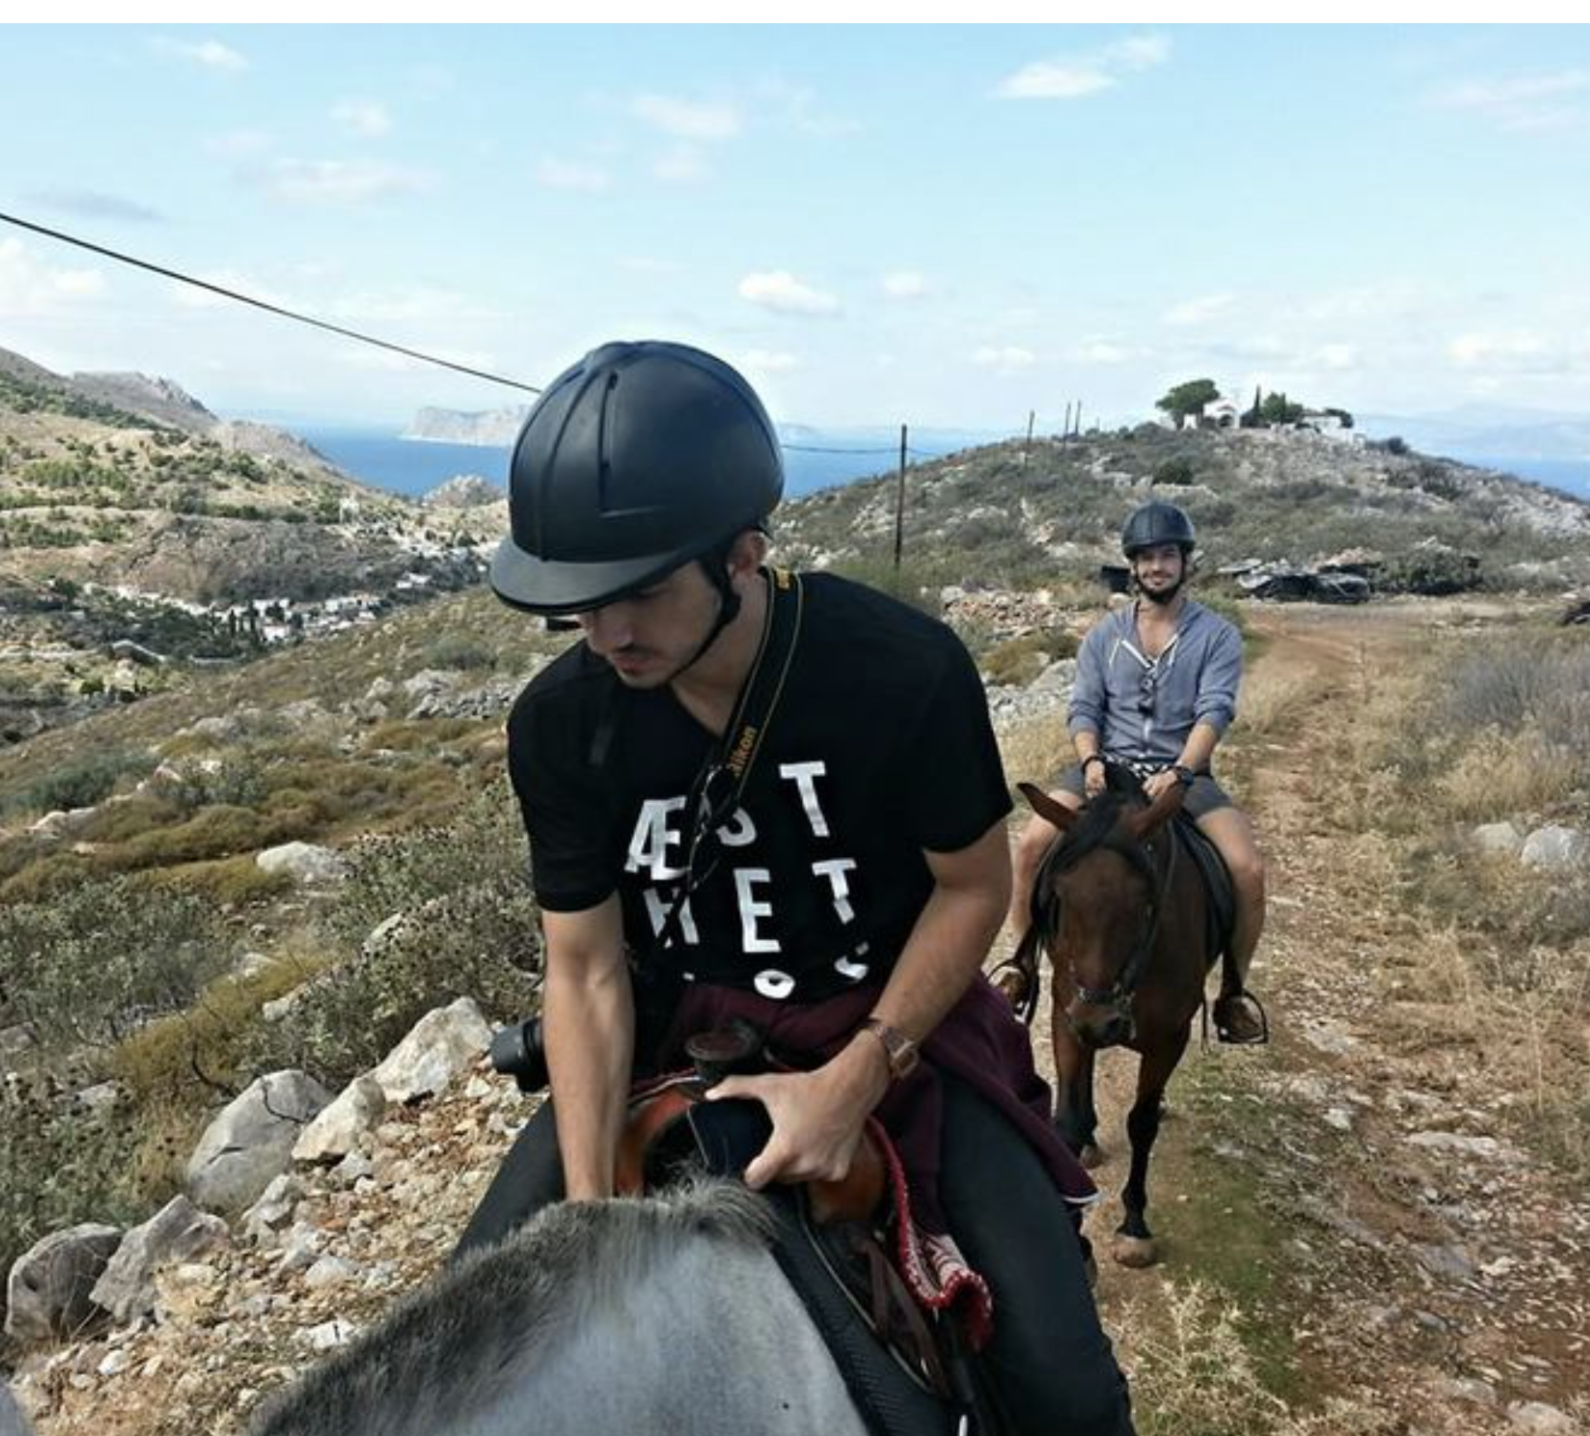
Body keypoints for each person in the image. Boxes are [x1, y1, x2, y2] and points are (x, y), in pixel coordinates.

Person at [462, 340, 1133, 1435]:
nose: (608, 633)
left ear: (742, 556)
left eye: (638, 594)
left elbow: (970, 889)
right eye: (579, 605)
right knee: (465, 1358)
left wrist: (858, 1076)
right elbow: (583, 969)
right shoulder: (559, 725)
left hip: (892, 1028)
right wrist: (591, 1225)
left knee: (1068, 1389)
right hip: (681, 1035)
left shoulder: (899, 668)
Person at [1007, 500, 1269, 1044]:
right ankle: (1021, 963)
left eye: (1167, 556)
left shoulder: (1216, 635)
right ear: (1133, 566)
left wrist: (1180, 770)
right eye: (1146, 557)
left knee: (1246, 869)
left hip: (1182, 776)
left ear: (1184, 562)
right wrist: (1090, 759)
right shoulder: (1105, 635)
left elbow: (1214, 710)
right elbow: (1084, 708)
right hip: (1105, 771)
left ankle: (1233, 993)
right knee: (1032, 844)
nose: (1157, 567)